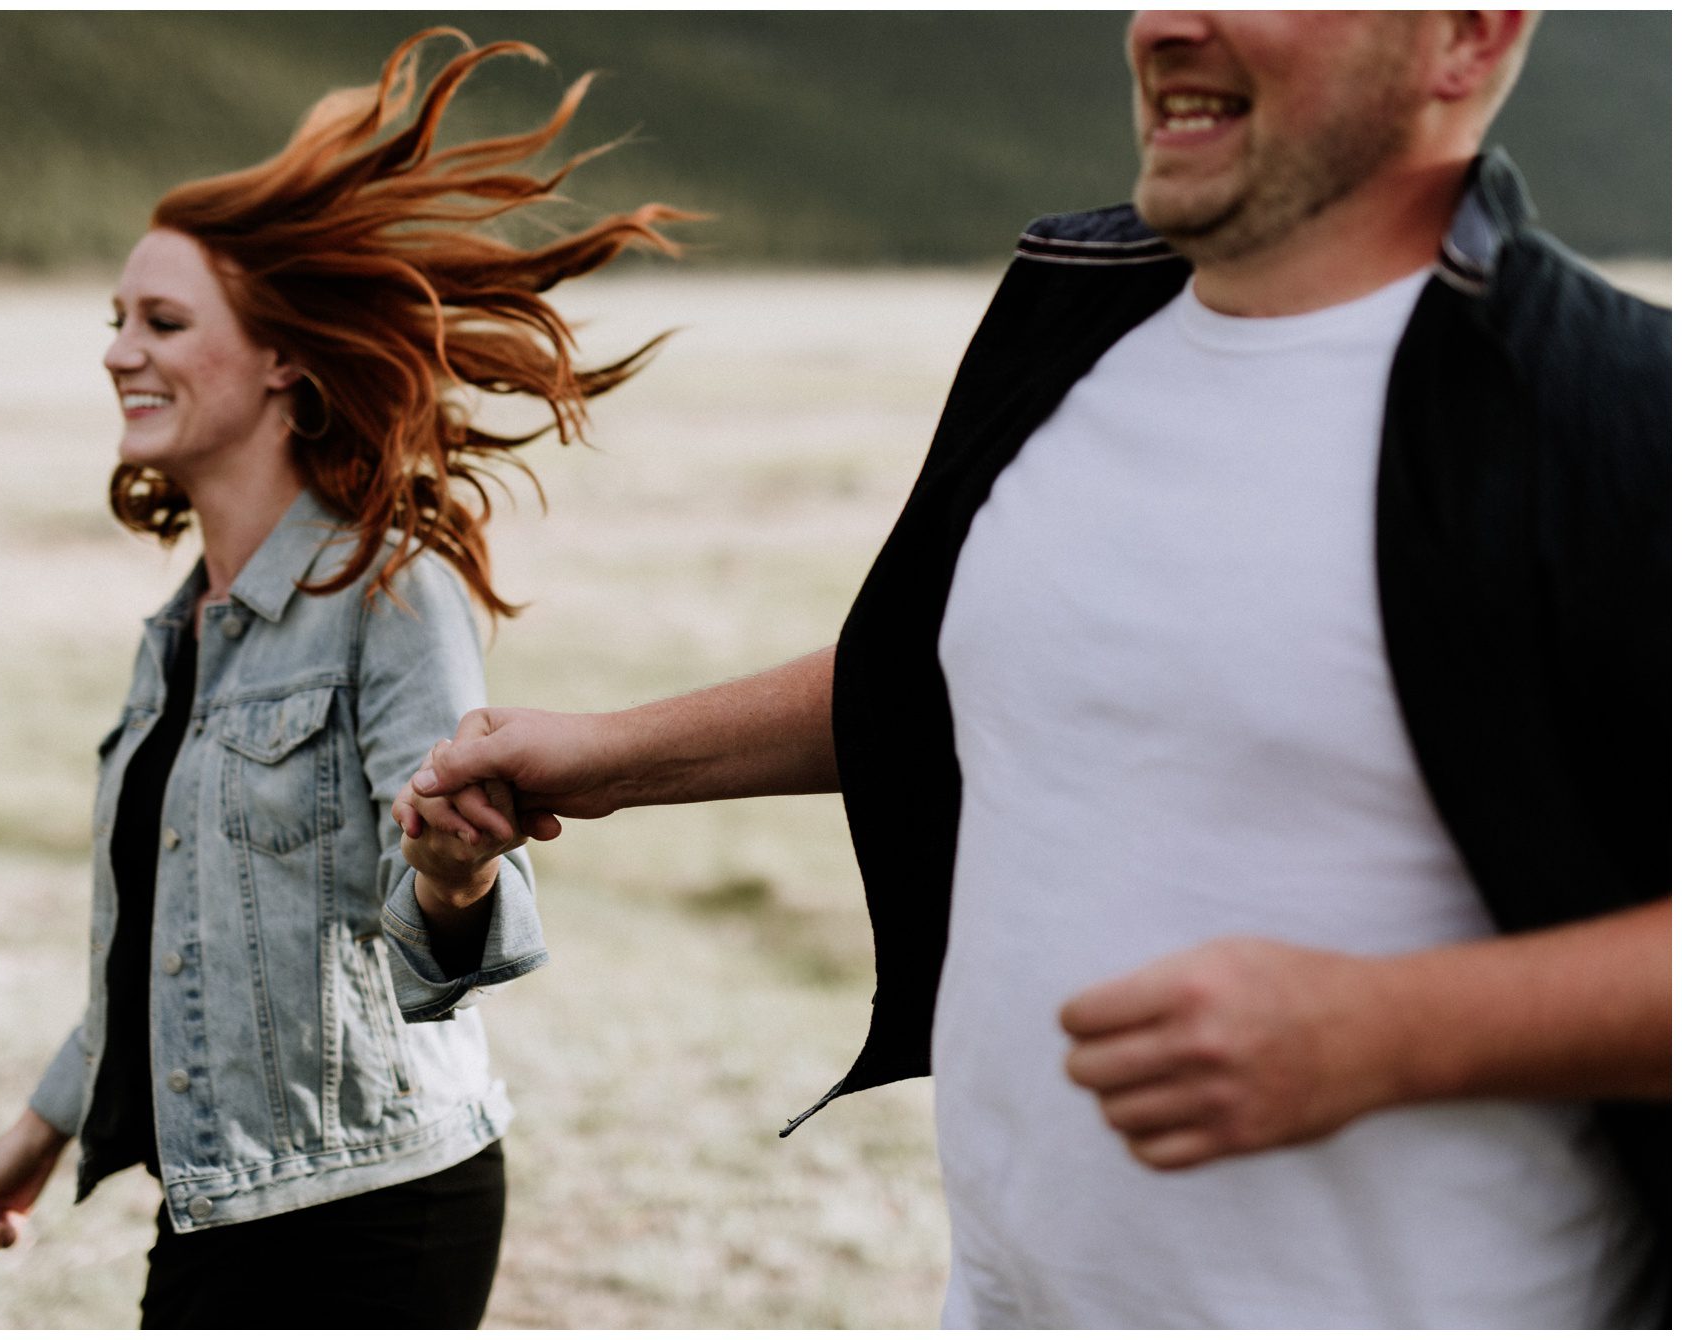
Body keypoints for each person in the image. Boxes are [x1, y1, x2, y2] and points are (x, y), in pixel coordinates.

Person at [397, 11, 1670, 1328]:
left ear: (1464, 38)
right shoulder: (1070, 330)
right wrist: (615, 759)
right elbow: (963, 668)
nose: (1164, 22)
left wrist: (1389, 1030)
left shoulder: (1618, 415)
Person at [0, 29, 679, 1327]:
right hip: (218, 1202)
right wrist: (39, 1132)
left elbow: (449, 936)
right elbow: (172, 945)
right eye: (117, 322)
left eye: (163, 321)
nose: (119, 353)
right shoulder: (180, 635)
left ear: (281, 357)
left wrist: (452, 871)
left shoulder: (389, 593)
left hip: (379, 1212)